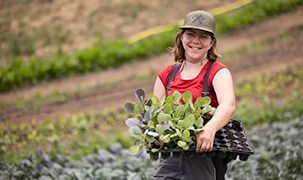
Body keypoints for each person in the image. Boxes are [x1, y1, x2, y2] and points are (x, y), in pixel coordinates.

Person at [152, 10, 236, 180]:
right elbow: (156, 113)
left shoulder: (218, 72)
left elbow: (228, 104)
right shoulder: (166, 75)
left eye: (203, 36)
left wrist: (209, 128)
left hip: (204, 158)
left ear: (212, 42)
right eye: (190, 34)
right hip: (170, 158)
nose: (196, 41)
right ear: (181, 37)